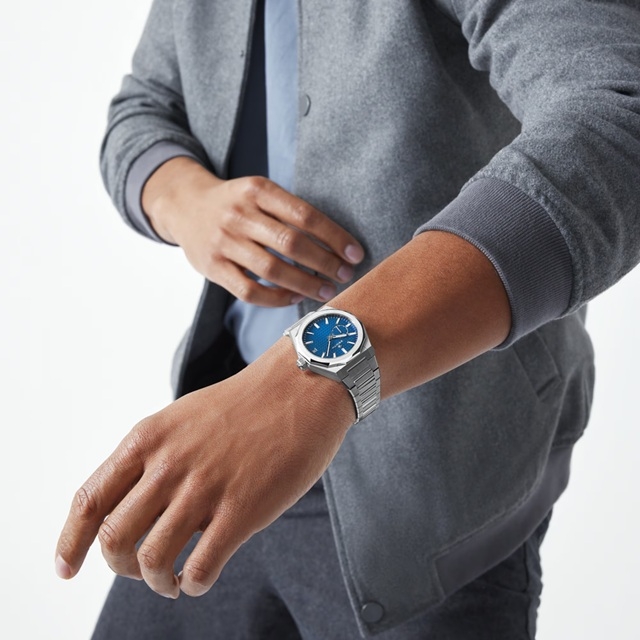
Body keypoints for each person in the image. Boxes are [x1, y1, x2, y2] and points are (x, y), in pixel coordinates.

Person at [56, 0, 640, 638]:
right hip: (223, 438)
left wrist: (308, 381)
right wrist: (186, 201)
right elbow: (144, 106)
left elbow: (617, 115)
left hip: (438, 475)